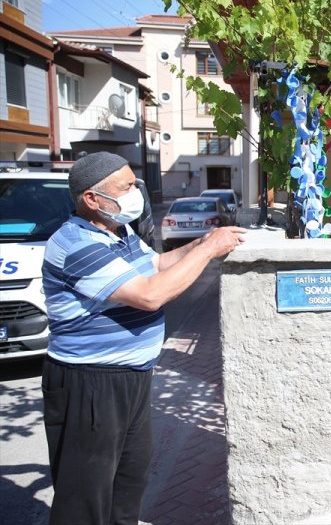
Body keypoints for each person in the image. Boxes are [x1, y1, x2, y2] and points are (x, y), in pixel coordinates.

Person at [41, 152, 246, 525]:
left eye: (134, 183)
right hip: (90, 383)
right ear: (92, 199)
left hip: (129, 379)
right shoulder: (77, 244)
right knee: (85, 498)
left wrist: (206, 242)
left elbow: (156, 264)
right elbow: (150, 294)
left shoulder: (118, 231)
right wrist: (208, 250)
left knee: (128, 483)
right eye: (124, 188)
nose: (135, 192)